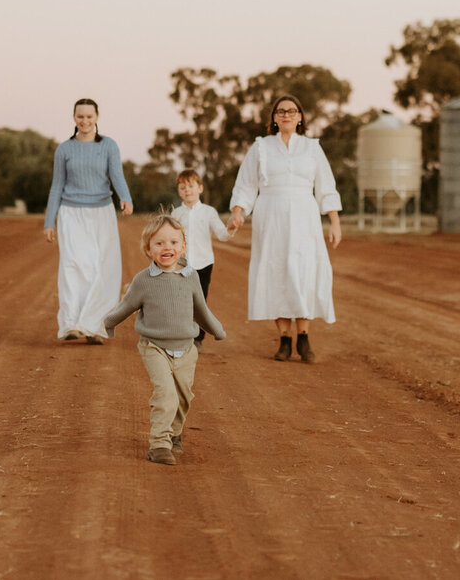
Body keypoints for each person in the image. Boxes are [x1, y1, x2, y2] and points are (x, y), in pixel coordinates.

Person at [227, 93, 342, 363]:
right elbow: (245, 184)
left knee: (303, 272)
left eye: (291, 111)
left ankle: (303, 337)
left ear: (300, 116)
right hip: (271, 217)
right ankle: (284, 340)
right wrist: (237, 212)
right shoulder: (261, 147)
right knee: (276, 271)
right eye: (280, 112)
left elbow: (326, 186)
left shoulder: (312, 148)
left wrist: (334, 221)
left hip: (305, 217)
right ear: (274, 118)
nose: (286, 115)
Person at [103, 213, 225, 465]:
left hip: (186, 348)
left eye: (173, 242)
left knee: (183, 397)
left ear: (183, 247)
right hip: (154, 347)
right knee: (165, 393)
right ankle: (159, 444)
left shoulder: (191, 277)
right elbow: (126, 306)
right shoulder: (143, 281)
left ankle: (175, 434)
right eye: (159, 243)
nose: (167, 247)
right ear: (148, 249)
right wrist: (109, 322)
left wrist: (216, 330)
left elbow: (200, 309)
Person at [43, 98, 133, 344]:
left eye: (89, 116)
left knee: (103, 268)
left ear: (97, 117)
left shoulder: (108, 146)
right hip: (71, 213)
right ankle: (71, 324)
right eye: (80, 116)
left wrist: (125, 198)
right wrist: (49, 221)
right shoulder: (64, 149)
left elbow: (117, 175)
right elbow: (56, 186)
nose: (84, 121)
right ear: (74, 118)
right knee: (73, 266)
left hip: (102, 212)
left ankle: (94, 326)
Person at [170, 168, 234, 346]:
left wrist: (231, 229)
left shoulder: (209, 212)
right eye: (182, 187)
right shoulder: (176, 214)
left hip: (204, 263)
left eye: (191, 186)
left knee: (200, 301)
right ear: (179, 191)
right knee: (181, 299)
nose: (187, 190)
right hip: (181, 264)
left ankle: (198, 338)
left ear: (200, 188)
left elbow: (221, 234)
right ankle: (182, 335)